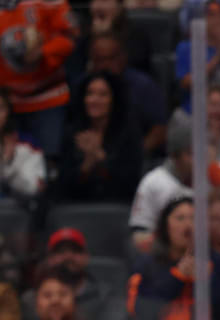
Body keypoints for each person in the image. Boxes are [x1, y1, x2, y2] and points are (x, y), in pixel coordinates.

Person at [129, 120, 220, 253]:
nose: (200, 159)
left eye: (203, 150)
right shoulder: (154, 182)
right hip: (170, 256)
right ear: (175, 157)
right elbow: (140, 234)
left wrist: (215, 172)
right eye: (192, 153)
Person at [22, 228, 127, 320]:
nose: (68, 256)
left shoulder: (108, 296)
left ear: (86, 257)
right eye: (60, 252)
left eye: (75, 251)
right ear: (49, 259)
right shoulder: (31, 299)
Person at [0, 0, 76, 158]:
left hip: (48, 98)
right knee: (8, 162)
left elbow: (70, 36)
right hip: (7, 104)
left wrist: (43, 52)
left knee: (50, 162)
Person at [57, 71, 142, 201]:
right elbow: (62, 186)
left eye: (103, 95)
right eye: (89, 93)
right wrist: (87, 163)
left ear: (114, 100)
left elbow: (131, 183)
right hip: (78, 208)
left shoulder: (128, 134)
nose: (94, 100)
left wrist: (100, 157)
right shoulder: (73, 133)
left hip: (118, 206)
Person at [86, 31, 167, 154]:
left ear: (123, 57)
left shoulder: (143, 86)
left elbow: (160, 129)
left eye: (110, 58)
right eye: (100, 59)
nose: (105, 65)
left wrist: (136, 154)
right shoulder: (83, 87)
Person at [174, 0, 220, 133]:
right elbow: (188, 83)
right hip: (195, 109)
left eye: (216, 15)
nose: (212, 20)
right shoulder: (186, 48)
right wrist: (218, 55)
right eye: (208, 15)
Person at [0, 88, 45, 200]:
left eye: (0, 108)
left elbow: (33, 188)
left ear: (8, 112)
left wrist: (9, 162)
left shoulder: (27, 145)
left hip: (15, 213)